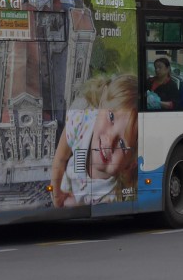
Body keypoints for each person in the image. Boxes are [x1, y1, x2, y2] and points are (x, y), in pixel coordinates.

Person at [50, 74, 139, 207]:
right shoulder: (80, 121)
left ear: (130, 163)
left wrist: (73, 205)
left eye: (122, 143)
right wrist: (56, 194)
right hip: (65, 190)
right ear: (102, 101)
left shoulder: (115, 197)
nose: (109, 142)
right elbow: (60, 158)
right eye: (111, 117)